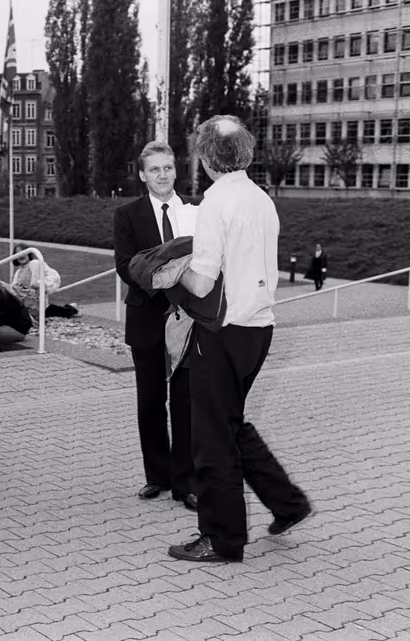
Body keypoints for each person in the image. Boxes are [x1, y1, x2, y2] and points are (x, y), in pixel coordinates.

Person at [168, 116, 311, 564]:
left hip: (221, 332)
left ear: (207, 158)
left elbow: (202, 282)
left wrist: (166, 270)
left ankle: (222, 539)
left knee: (212, 438)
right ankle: (287, 502)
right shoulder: (261, 198)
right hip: (258, 329)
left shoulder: (215, 202)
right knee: (229, 423)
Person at [113, 141, 197, 511]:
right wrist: (165, 275)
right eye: (154, 169)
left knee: (185, 403)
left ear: (176, 170)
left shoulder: (195, 212)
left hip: (188, 319)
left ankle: (186, 482)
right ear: (143, 174)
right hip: (147, 317)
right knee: (150, 402)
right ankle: (157, 476)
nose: (162, 175)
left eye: (167, 168)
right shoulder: (127, 215)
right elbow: (125, 265)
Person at [9, 243, 77, 319]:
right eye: (18, 253)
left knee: (50, 311)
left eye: (23, 252)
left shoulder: (34, 263)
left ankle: (70, 309)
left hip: (37, 306)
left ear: (29, 254)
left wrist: (41, 284)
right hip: (26, 305)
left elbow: (54, 276)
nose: (21, 255)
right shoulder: (18, 272)